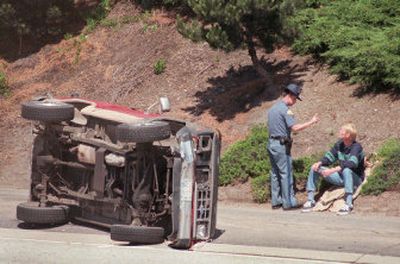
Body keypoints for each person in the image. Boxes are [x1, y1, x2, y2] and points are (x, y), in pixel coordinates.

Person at [267, 83, 319, 210]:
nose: (295, 102)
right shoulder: (285, 110)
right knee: (287, 173)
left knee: (275, 173)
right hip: (281, 145)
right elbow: (295, 128)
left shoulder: (273, 108)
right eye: (295, 99)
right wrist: (311, 122)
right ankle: (288, 202)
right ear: (291, 96)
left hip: (271, 143)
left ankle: (276, 201)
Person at [302, 123, 365, 215]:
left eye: (342, 130)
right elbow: (329, 157)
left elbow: (352, 163)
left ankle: (348, 204)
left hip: (355, 178)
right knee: (315, 168)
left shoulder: (356, 147)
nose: (339, 131)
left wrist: (332, 170)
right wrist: (319, 163)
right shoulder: (339, 144)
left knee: (346, 170)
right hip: (340, 177)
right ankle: (310, 200)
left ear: (348, 135)